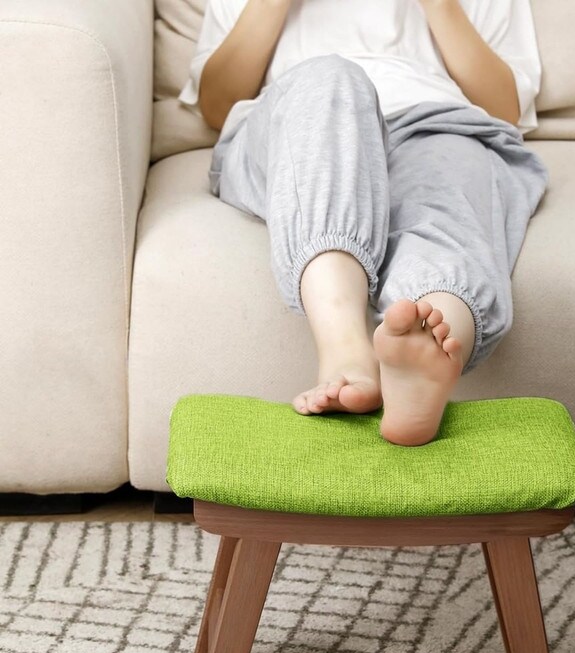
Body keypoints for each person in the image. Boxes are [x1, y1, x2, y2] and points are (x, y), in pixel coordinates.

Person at [178, 0, 549, 446]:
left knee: (448, 180)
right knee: (331, 77)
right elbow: (218, 106)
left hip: (434, 122)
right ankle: (345, 350)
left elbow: (502, 108)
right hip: (299, 123)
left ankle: (431, 342)